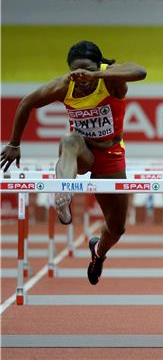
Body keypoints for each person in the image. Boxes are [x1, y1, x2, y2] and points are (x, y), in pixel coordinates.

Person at [0, 40, 146, 285]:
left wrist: (96, 73)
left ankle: (98, 253)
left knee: (117, 227)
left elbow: (141, 72)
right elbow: (26, 102)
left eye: (87, 70)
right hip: (82, 152)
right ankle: (63, 195)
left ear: (97, 66)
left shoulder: (110, 80)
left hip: (110, 155)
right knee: (69, 139)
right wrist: (14, 144)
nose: (82, 77)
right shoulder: (64, 86)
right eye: (76, 71)